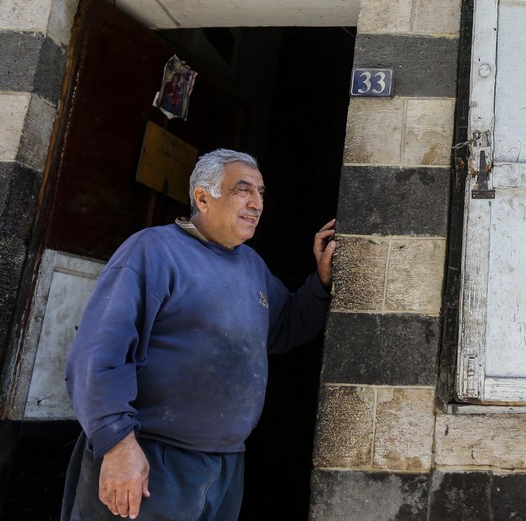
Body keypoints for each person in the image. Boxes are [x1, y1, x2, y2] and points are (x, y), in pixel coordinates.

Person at [61, 149, 336, 520]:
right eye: (243, 190)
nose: (256, 203)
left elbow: (285, 325)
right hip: (150, 457)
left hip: (224, 464)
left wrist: (321, 280)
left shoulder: (251, 266)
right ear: (203, 197)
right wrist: (118, 444)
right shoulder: (153, 251)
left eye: (260, 192)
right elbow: (98, 355)